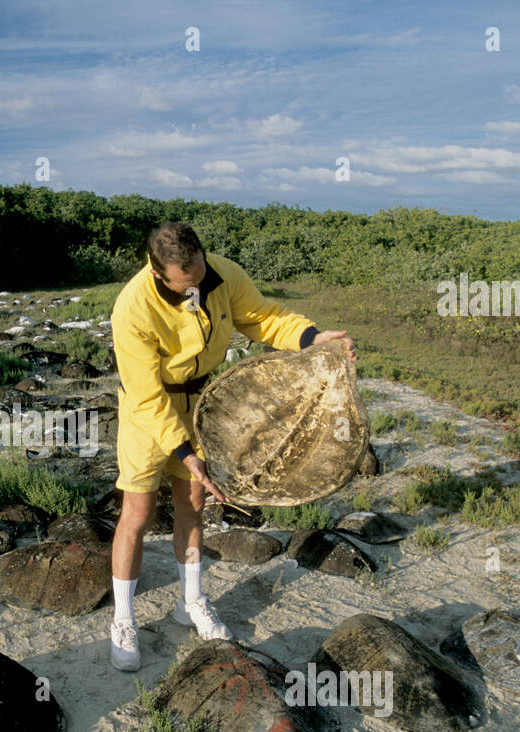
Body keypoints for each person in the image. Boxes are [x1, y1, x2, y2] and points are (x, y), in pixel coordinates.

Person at [108, 222, 357, 671]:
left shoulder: (223, 274)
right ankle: (123, 619)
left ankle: (191, 602)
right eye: (184, 283)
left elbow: (263, 318)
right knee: (138, 514)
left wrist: (312, 338)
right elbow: (145, 396)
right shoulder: (133, 307)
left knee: (192, 505)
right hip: (148, 410)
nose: (196, 287)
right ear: (158, 273)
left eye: (199, 273)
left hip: (204, 407)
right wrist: (185, 453)